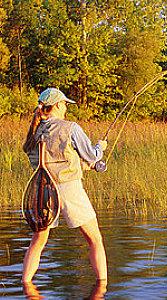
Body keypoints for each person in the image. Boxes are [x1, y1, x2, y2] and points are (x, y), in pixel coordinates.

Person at [21, 88, 108, 285]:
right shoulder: (70, 128)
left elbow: (46, 160)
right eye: (65, 104)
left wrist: (82, 164)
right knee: (95, 239)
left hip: (43, 191)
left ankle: (26, 286)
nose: (66, 108)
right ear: (58, 105)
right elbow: (92, 156)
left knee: (38, 241)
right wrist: (100, 148)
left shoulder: (34, 132)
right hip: (70, 190)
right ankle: (101, 288)